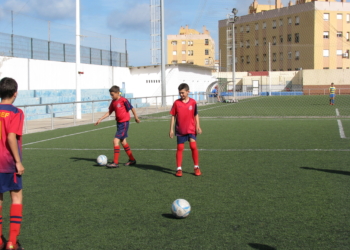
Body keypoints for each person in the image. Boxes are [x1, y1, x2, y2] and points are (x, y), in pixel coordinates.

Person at [0, 77, 25, 250]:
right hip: (8, 163)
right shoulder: (16, 112)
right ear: (15, 93)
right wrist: (18, 162)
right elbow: (10, 137)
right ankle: (11, 242)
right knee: (16, 198)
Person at [95, 85, 140, 168]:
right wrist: (100, 119)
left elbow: (132, 108)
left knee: (115, 141)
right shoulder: (113, 102)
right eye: (110, 95)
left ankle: (115, 162)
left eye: (112, 94)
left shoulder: (123, 100)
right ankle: (132, 159)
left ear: (117, 93)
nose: (111, 96)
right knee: (123, 142)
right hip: (119, 124)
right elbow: (109, 112)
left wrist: (136, 117)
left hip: (124, 123)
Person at [169, 83, 202, 177]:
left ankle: (196, 167)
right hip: (180, 130)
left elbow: (196, 114)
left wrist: (198, 126)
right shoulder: (176, 103)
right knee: (180, 149)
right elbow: (173, 116)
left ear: (188, 92)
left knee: (193, 146)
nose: (181, 95)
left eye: (183, 93)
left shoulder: (193, 102)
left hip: (191, 129)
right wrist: (171, 129)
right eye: (180, 93)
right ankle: (179, 169)